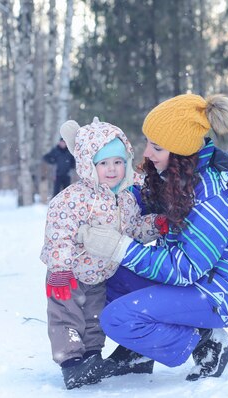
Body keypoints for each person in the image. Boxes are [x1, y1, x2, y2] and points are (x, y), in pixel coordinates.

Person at [77, 94, 228, 383]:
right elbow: (142, 200)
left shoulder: (213, 195)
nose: (147, 153)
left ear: (181, 152)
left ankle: (207, 342)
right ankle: (140, 351)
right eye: (148, 142)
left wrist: (120, 247)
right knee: (107, 274)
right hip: (193, 282)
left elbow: (184, 268)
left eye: (157, 147)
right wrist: (103, 197)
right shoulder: (177, 175)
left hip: (217, 292)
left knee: (117, 319)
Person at [39, 117, 165, 390]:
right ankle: (72, 365)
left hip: (99, 273)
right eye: (104, 163)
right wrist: (59, 269)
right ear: (88, 165)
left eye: (118, 162)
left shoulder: (128, 197)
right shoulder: (74, 198)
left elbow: (131, 230)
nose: (112, 170)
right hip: (68, 275)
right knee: (66, 317)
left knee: (94, 318)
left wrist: (155, 224)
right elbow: (58, 233)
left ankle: (92, 357)